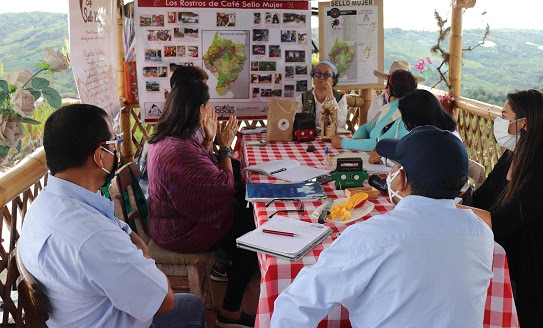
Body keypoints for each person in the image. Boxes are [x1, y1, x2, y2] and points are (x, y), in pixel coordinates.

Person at [271, 126, 494, 328]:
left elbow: (296, 306)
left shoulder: (371, 237)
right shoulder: (480, 233)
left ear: (402, 179)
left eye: (394, 166)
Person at [19, 104, 205, 328]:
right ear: (100, 155)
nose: (116, 150)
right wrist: (143, 254)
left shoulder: (43, 205)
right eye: (114, 143)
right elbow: (164, 302)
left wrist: (131, 245)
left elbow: (122, 231)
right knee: (192, 306)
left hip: (79, 315)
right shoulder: (93, 238)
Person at [458, 89, 543, 328]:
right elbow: (480, 200)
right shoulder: (513, 157)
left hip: (533, 280)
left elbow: (501, 223)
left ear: (525, 124)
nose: (499, 123)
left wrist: (449, 210)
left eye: (505, 116)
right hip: (502, 255)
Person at [146, 80, 257, 328]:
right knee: (253, 231)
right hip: (179, 231)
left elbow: (204, 169)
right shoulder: (178, 151)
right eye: (208, 107)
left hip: (172, 220)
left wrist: (209, 141)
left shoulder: (170, 136)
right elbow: (221, 189)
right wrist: (225, 147)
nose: (211, 113)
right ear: (199, 110)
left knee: (244, 203)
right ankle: (230, 312)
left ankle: (226, 266)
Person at [329, 69, 416, 151]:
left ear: (389, 90)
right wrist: (358, 140)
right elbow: (366, 127)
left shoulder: (403, 116)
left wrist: (345, 143)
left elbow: (381, 143)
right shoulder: (387, 109)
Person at [368, 89, 457, 164]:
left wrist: (382, 157)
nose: (406, 125)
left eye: (406, 120)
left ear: (415, 119)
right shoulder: (450, 134)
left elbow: (412, 158)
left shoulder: (427, 139)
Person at [295, 60, 348, 130]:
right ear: (314, 79)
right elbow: (295, 123)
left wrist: (331, 97)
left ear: (333, 81)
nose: (322, 77)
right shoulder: (302, 98)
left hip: (333, 138)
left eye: (326, 75)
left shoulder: (340, 98)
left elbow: (340, 123)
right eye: (318, 74)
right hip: (308, 138)